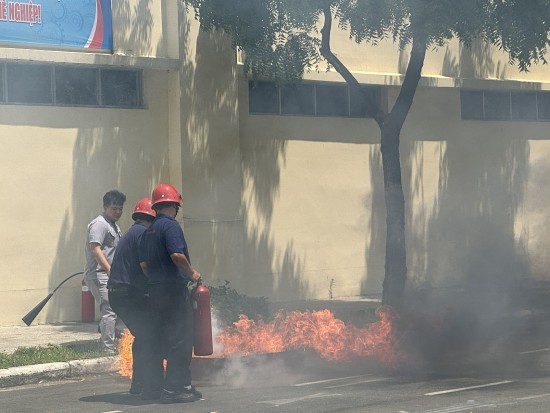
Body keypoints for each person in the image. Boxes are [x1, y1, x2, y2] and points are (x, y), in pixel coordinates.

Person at [139, 183, 202, 404]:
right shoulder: (170, 226)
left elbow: (144, 266)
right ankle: (174, 390)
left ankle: (175, 386)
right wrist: (192, 272)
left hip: (156, 292)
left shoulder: (149, 231)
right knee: (181, 340)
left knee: (162, 339)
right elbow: (176, 255)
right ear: (174, 205)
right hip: (173, 292)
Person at [107, 198, 163, 399]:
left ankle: (139, 384)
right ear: (152, 217)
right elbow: (145, 266)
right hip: (127, 294)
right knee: (150, 335)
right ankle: (148, 384)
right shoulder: (143, 234)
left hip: (121, 293)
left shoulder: (133, 231)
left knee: (145, 334)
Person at [84, 190, 126, 353]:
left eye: (120, 208)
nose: (118, 212)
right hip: (99, 274)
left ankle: (107, 336)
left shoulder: (113, 226)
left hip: (109, 275)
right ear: (105, 207)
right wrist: (109, 270)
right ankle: (108, 349)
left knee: (116, 307)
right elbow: (95, 248)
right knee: (109, 308)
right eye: (114, 208)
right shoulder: (100, 224)